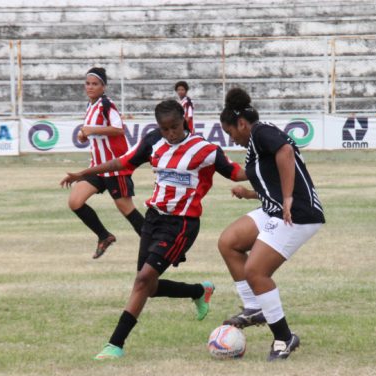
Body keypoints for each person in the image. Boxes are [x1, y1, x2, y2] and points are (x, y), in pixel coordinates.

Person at [61, 99, 247, 359]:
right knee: (147, 286)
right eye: (164, 129)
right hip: (153, 219)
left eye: (174, 127)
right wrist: (84, 173)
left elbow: (237, 173)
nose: (170, 134)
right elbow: (122, 163)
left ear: (184, 119)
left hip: (182, 224)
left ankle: (115, 344)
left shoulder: (205, 150)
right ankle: (198, 291)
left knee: (141, 281)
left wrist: (269, 164)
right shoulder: (152, 141)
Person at [217, 88, 325, 361]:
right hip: (274, 208)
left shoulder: (261, 131)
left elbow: (286, 152)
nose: (233, 139)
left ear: (242, 124)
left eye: (232, 133)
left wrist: (288, 198)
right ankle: (254, 307)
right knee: (229, 242)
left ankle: (284, 338)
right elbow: (269, 178)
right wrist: (251, 193)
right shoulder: (254, 144)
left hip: (297, 212)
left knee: (256, 271)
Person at [68, 67, 145, 259]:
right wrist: (85, 135)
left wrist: (91, 129)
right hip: (98, 167)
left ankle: (153, 245)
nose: (90, 87)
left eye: (95, 84)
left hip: (114, 166)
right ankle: (104, 236)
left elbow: (118, 129)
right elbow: (93, 133)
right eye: (88, 83)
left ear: (104, 87)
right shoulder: (91, 106)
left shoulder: (106, 105)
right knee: (75, 202)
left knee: (126, 208)